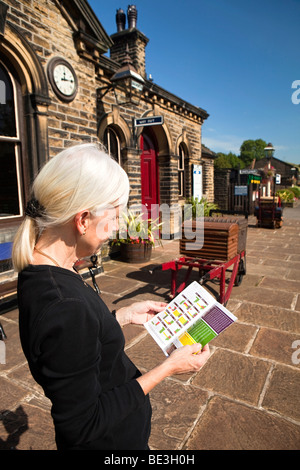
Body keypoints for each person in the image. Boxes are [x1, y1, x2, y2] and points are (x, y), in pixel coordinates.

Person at [12, 142, 210, 450]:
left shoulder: (42, 270)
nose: (117, 228)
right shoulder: (63, 305)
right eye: (115, 216)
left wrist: (121, 316)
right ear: (83, 220)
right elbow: (83, 424)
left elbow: (75, 344)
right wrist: (169, 367)